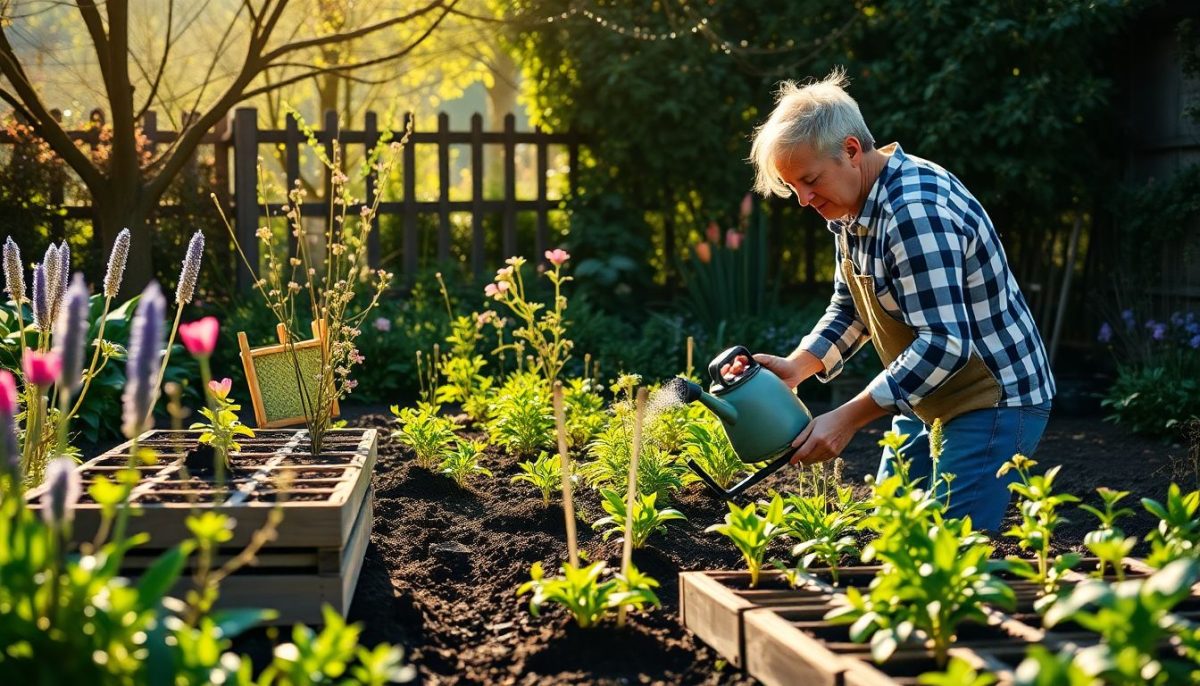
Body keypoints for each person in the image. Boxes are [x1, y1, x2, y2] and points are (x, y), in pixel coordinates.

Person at [723, 68, 1054, 530]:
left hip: (993, 397)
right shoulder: (852, 208)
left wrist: (846, 418)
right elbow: (851, 308)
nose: (802, 199)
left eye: (809, 179)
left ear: (852, 151)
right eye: (794, 186)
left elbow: (944, 343)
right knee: (893, 529)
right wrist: (799, 365)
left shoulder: (913, 213)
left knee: (949, 554)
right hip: (931, 392)